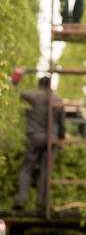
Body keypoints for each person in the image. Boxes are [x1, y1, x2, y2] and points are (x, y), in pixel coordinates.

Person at [13, 76, 65, 211]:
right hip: (51, 140)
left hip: (34, 138)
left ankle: (20, 199)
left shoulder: (32, 95)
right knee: (46, 171)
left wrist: (16, 77)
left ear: (38, 84)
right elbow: (62, 124)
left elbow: (14, 91)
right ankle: (42, 203)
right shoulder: (57, 99)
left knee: (26, 168)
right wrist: (61, 139)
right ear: (50, 85)